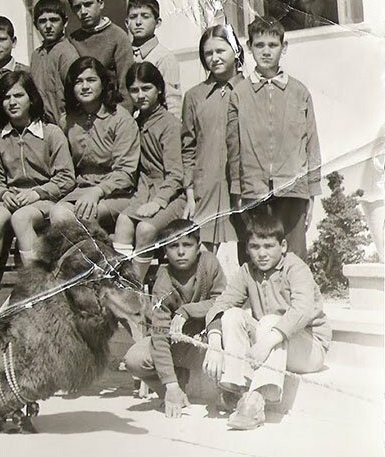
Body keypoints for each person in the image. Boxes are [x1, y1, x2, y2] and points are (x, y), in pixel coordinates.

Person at [203, 208, 330, 430]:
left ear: (283, 246)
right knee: (232, 315)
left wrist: (266, 343)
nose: (262, 254)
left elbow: (302, 310)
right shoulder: (247, 271)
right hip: (269, 343)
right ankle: (235, 387)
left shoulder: (296, 268)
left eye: (269, 246)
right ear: (247, 249)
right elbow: (220, 305)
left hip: (308, 348)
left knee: (270, 321)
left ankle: (256, 401)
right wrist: (214, 342)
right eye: (255, 247)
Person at [226, 16, 321, 258]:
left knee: (293, 257)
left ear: (283, 47)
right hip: (254, 189)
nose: (266, 51)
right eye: (259, 45)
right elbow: (234, 147)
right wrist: (238, 190)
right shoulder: (239, 94)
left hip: (292, 188)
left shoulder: (299, 92)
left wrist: (311, 190)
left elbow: (311, 143)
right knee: (258, 254)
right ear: (249, 48)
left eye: (272, 45)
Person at [0, 72, 75, 303]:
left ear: (31, 98)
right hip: (10, 199)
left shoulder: (50, 133)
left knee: (21, 218)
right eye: (6, 97)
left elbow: (66, 177)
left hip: (42, 199)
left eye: (18, 95)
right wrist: (3, 194)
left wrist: (36, 193)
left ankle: (39, 287)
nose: (12, 102)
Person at [122, 219, 227, 418]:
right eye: (173, 246)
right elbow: (159, 335)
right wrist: (169, 385)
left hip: (209, 341)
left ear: (197, 247)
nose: (180, 252)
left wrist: (187, 310)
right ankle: (175, 388)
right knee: (134, 359)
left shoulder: (209, 262)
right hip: (179, 344)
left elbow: (223, 301)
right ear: (165, 251)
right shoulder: (163, 282)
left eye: (187, 245)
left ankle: (230, 394)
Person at [113, 63, 186, 284]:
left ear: (159, 90)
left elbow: (175, 175)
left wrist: (158, 202)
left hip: (172, 195)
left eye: (146, 88)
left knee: (144, 229)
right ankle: (118, 282)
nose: (140, 95)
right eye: (134, 90)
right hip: (144, 191)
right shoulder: (135, 122)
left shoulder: (169, 124)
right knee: (123, 221)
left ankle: (132, 287)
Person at [50, 56, 139, 234]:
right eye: (78, 81)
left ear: (103, 83)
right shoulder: (67, 121)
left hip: (116, 193)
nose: (85, 87)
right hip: (79, 190)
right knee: (58, 213)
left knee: (83, 216)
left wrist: (97, 192)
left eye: (91, 80)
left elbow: (126, 173)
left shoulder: (121, 120)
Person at [181, 24, 245, 265]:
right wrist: (189, 193)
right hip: (204, 185)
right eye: (208, 53)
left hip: (241, 184)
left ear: (236, 51)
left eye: (221, 50)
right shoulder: (194, 96)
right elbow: (187, 146)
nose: (215, 58)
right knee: (203, 254)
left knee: (249, 245)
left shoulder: (249, 90)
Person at [66, 0, 134, 97]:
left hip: (111, 110)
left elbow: (125, 86)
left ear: (101, 3)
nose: (83, 12)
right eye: (77, 7)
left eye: (88, 4)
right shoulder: (72, 40)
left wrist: (122, 115)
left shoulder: (118, 37)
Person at [125, 0, 182, 116]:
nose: (138, 22)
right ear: (126, 23)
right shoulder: (124, 54)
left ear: (157, 22)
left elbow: (173, 101)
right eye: (133, 17)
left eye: (145, 17)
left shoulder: (164, 57)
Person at [29, 0, 80, 125]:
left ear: (65, 22)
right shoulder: (36, 55)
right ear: (35, 25)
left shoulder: (66, 53)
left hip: (65, 125)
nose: (48, 26)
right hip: (41, 127)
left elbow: (76, 95)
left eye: (54, 20)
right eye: (42, 21)